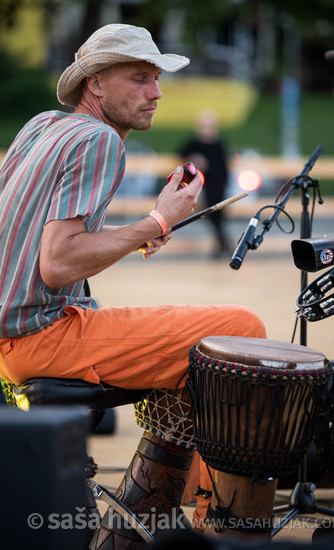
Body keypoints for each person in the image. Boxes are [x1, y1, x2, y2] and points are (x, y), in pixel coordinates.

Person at [0, 24, 266, 547]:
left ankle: (144, 517)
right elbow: (56, 265)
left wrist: (136, 237)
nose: (157, 92)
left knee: (197, 336)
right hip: (37, 338)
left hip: (11, 335)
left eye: (157, 78)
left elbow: (35, 243)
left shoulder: (42, 126)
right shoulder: (100, 140)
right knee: (240, 329)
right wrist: (157, 222)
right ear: (95, 84)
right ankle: (217, 526)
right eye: (140, 78)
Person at [180, 109, 230, 258]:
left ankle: (222, 243)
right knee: (210, 213)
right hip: (202, 186)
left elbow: (224, 167)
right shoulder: (195, 143)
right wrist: (193, 158)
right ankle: (223, 243)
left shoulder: (219, 144)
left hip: (217, 186)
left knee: (217, 214)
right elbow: (181, 153)